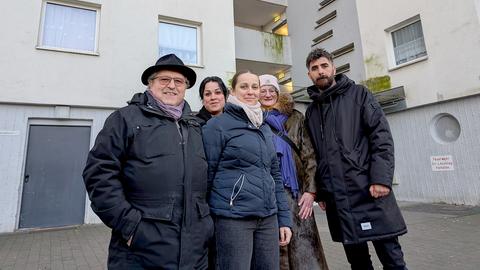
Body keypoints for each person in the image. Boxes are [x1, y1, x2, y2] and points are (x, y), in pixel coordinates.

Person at [83, 54, 213, 269]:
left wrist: (206, 227)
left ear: (185, 87)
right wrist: (130, 226)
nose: (172, 86)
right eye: (164, 79)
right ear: (150, 84)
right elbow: (99, 175)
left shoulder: (196, 126)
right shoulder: (125, 119)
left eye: (178, 81)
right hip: (140, 250)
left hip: (194, 251)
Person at [304, 48, 408, 270]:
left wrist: (381, 179)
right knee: (358, 263)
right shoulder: (312, 111)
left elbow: (381, 138)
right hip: (338, 200)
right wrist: (322, 192)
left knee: (392, 260)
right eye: (314, 68)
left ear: (333, 67)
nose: (320, 71)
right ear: (309, 75)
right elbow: (316, 155)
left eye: (324, 66)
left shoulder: (359, 95)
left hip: (370, 191)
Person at [202, 70, 293, 270]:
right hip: (233, 219)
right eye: (244, 86)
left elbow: (275, 176)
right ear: (232, 91)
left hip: (268, 218)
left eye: (255, 87)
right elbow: (205, 177)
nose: (250, 91)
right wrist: (204, 219)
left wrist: (284, 219)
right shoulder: (216, 126)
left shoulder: (264, 127)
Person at [259, 74, 329, 270]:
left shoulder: (296, 117)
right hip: (268, 191)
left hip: (296, 192)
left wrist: (311, 191)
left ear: (278, 93)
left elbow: (309, 155)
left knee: (304, 247)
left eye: (271, 90)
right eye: (262, 90)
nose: (267, 94)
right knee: (274, 245)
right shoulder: (253, 118)